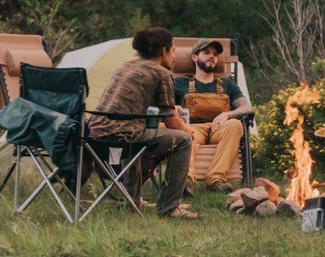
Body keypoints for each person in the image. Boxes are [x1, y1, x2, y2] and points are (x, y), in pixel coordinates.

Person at [86, 27, 198, 219]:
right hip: (125, 137)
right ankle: (169, 208)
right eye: (173, 51)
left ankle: (132, 201)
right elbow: (171, 122)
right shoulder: (161, 73)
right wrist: (189, 130)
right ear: (163, 51)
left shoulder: (124, 67)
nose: (174, 57)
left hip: (94, 136)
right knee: (183, 140)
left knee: (137, 130)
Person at [175, 40, 251, 193]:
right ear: (195, 57)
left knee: (235, 124)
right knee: (184, 134)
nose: (212, 57)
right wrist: (174, 107)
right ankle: (186, 180)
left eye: (215, 54)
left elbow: (246, 107)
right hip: (192, 128)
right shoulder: (180, 83)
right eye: (207, 53)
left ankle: (215, 180)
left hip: (219, 128)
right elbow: (162, 106)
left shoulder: (227, 84)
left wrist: (227, 114)